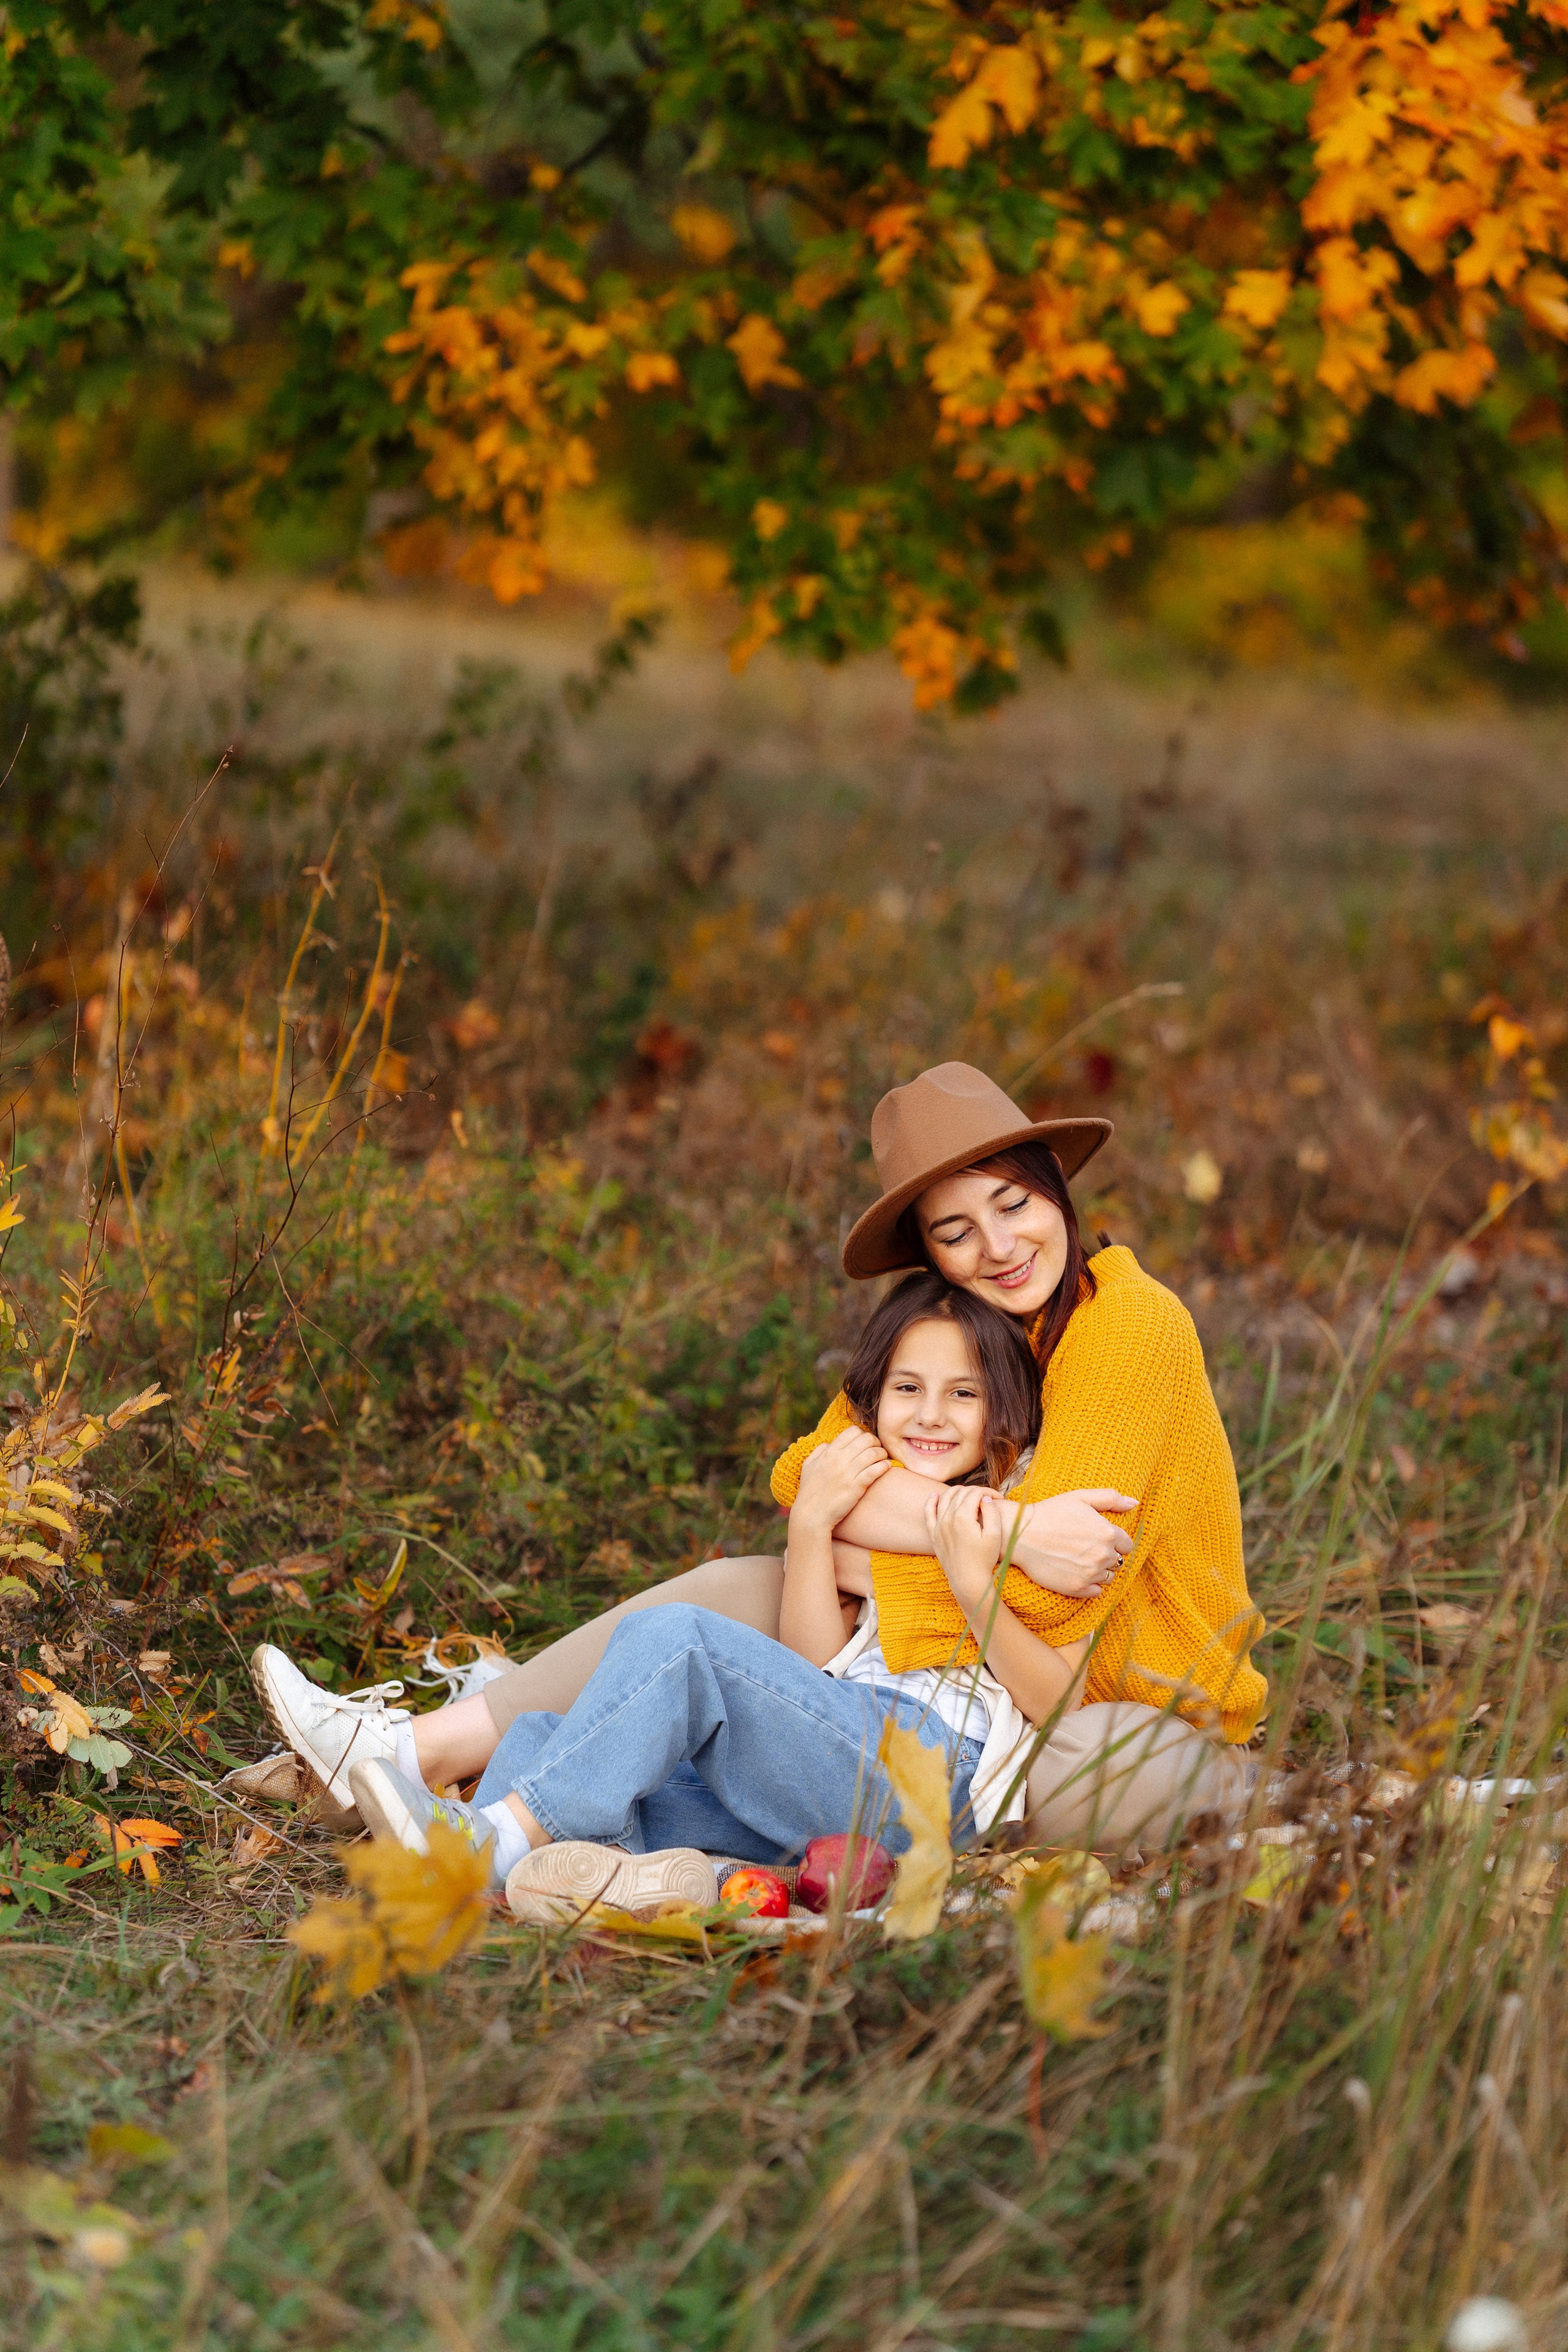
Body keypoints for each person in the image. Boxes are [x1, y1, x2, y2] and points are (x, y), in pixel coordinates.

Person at [254, 1060, 1265, 1856]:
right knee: (744, 1583)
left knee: (709, 1634)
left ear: (1054, 1190)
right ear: (929, 1255)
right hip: (941, 1685)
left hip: (1114, 1700)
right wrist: (1009, 1530)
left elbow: (1048, 1602)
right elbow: (810, 1472)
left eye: (1012, 1204)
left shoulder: (1123, 1324)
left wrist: (893, 1548)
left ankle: (469, 1816)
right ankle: (415, 1761)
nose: (998, 1246)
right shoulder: (960, 1333)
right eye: (956, 1232)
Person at [338, 1269, 1091, 1918]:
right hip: (833, 1757)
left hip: (932, 1773)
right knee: (545, 1737)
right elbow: (814, 1664)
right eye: (908, 1388)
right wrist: (812, 1526)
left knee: (679, 1642)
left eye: (963, 1393)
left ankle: (490, 1845)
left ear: (1003, 1415)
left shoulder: (1037, 1513)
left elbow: (1062, 1702)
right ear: (874, 1399)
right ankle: (580, 1874)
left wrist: (974, 1589)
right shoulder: (886, 1521)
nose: (930, 1414)